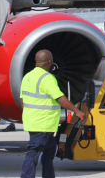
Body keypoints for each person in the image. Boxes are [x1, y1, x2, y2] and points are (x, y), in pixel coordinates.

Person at [20, 50, 86, 178]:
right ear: (50, 62)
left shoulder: (28, 76)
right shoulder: (47, 78)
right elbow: (60, 98)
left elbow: (22, 100)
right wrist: (77, 111)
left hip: (34, 121)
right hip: (43, 123)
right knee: (34, 152)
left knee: (49, 149)